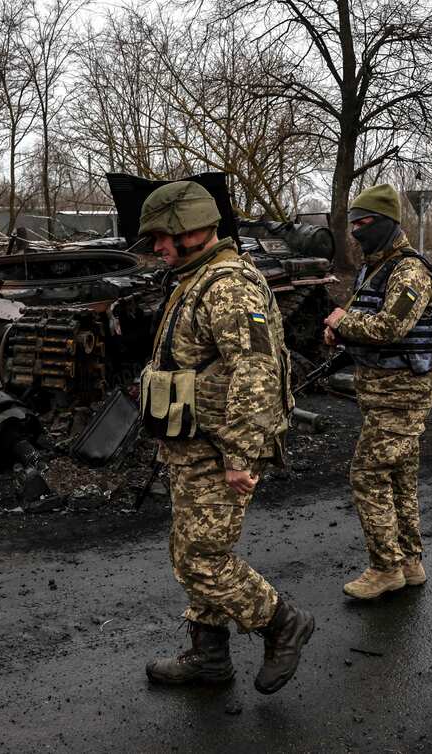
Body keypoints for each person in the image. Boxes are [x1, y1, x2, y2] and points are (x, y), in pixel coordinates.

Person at [138, 180, 315, 695]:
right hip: (193, 444)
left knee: (202, 557)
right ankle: (209, 656)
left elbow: (255, 373)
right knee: (189, 548)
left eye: (161, 237)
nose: (156, 247)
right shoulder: (196, 278)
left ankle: (283, 623)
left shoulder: (229, 284)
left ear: (190, 229)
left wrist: (241, 454)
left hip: (220, 449)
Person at [323, 184, 432, 600]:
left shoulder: (409, 271)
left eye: (364, 223)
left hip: (402, 394)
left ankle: (384, 568)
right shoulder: (377, 267)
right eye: (352, 223)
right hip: (382, 394)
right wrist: (340, 331)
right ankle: (409, 562)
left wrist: (342, 322)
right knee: (399, 479)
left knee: (367, 473)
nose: (356, 231)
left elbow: (392, 327)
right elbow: (365, 318)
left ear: (387, 222)